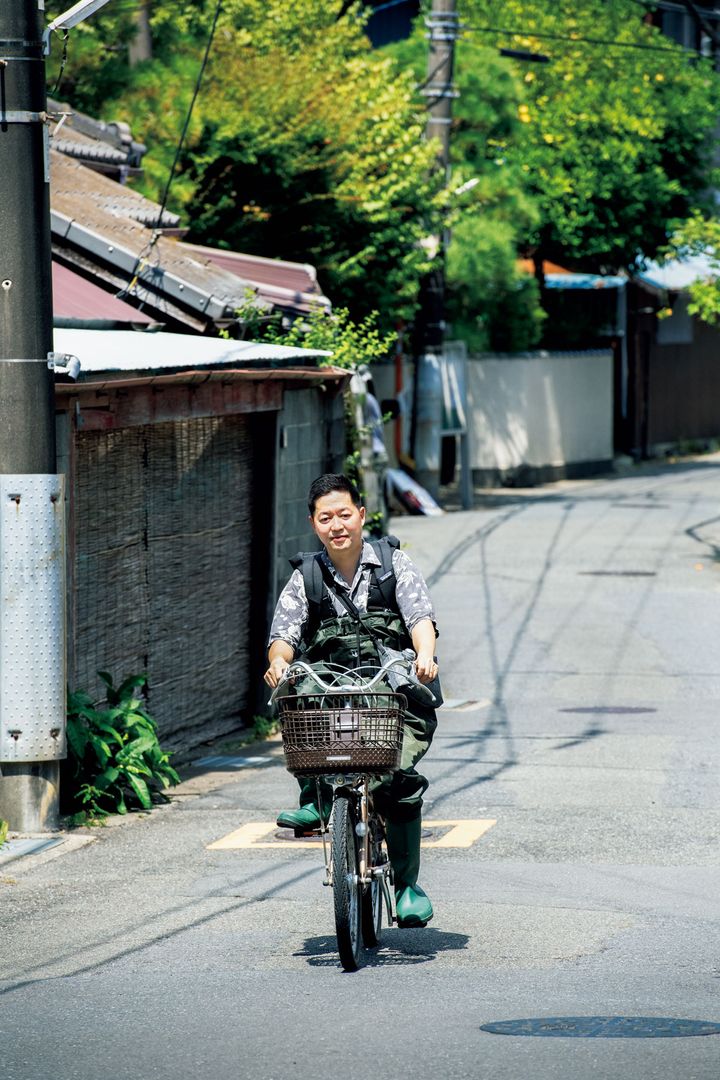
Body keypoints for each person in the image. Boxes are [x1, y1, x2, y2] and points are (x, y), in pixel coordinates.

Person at [264, 473, 440, 928]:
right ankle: (317, 798)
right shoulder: (306, 578)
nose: (336, 525)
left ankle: (407, 886)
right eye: (326, 518)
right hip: (333, 689)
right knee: (298, 692)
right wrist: (280, 662)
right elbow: (283, 635)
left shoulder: (392, 563)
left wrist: (424, 655)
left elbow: (420, 615)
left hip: (391, 688)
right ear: (313, 524)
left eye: (345, 514)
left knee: (397, 779)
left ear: (361, 515)